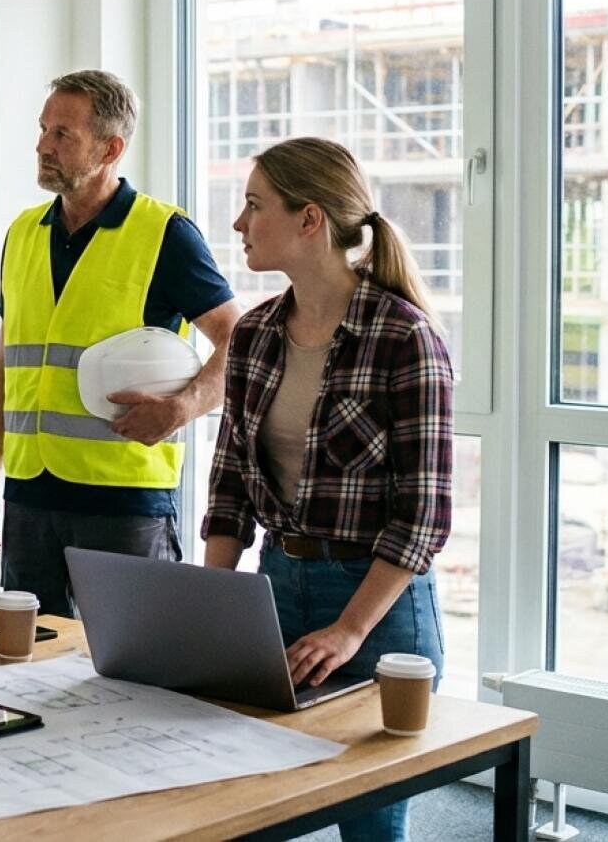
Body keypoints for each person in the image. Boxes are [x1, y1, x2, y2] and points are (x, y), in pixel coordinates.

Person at [203, 136, 452, 842]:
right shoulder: (253, 334)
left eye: (254, 205)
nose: (239, 223)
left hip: (379, 608)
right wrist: (210, 608)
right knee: (253, 805)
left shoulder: (404, 337)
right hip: (276, 587)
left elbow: (423, 519)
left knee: (369, 826)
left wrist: (349, 628)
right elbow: (229, 487)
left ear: (309, 219)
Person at [0, 71, 241, 615]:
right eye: (43, 129)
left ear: (111, 148)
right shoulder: (22, 233)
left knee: (133, 672)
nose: (42, 145)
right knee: (25, 672)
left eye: (62, 134)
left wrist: (182, 407)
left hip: (124, 506)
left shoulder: (165, 234)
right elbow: (6, 365)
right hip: (30, 498)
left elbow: (243, 341)